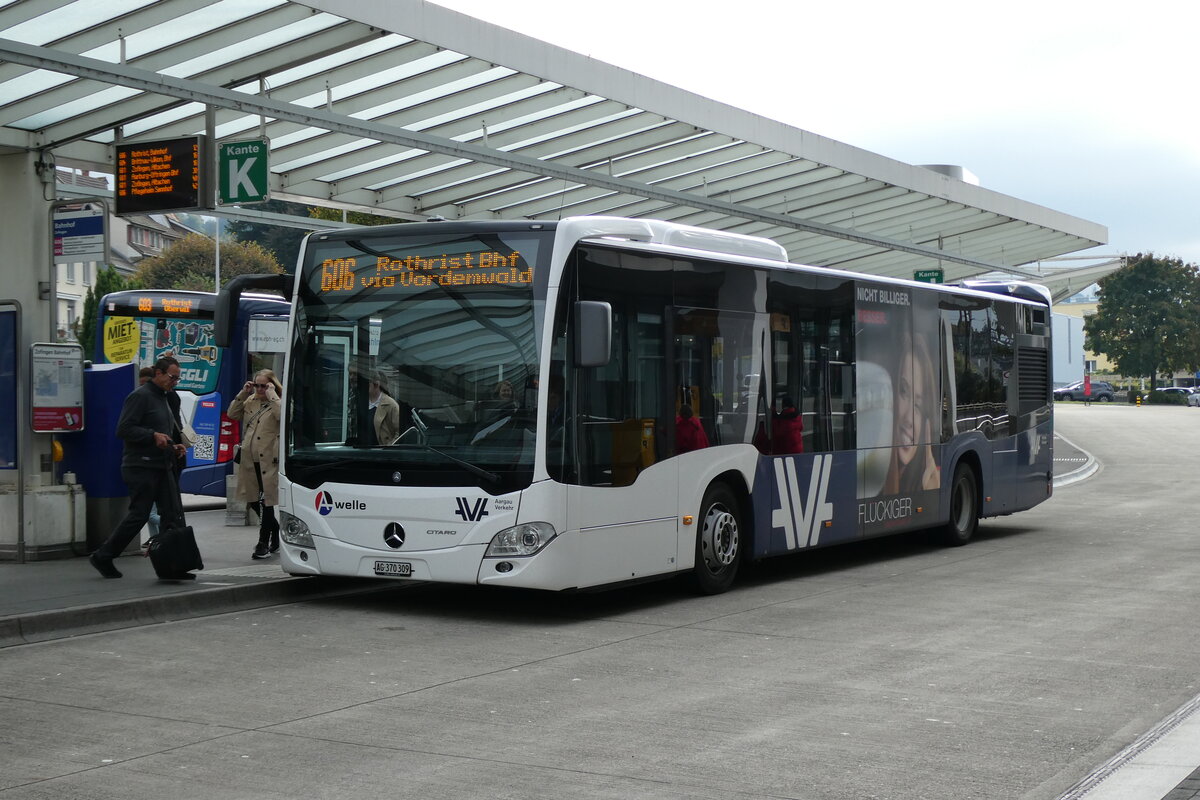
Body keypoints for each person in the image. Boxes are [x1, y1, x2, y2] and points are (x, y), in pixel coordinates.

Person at [88, 357, 189, 580]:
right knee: (140, 514)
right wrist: (152, 436)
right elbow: (124, 429)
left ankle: (172, 566)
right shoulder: (140, 396)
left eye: (177, 378)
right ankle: (104, 555)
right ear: (158, 373)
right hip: (141, 465)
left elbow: (164, 431)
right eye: (172, 377)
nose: (175, 382)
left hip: (162, 464)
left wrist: (174, 445)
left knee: (171, 514)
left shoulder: (165, 397)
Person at [228, 369, 282, 559]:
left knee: (267, 502)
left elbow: (282, 416)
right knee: (251, 500)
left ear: (271, 385)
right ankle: (276, 531)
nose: (259, 389)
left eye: (263, 386)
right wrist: (243, 393)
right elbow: (232, 414)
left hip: (269, 460)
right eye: (257, 385)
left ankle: (262, 543)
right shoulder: (250, 400)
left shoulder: (278, 401)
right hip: (249, 459)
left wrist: (272, 394)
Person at [883, 335, 940, 495]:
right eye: (903, 392)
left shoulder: (925, 482)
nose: (909, 419)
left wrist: (931, 494)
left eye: (919, 406)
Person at [368, 373, 401, 445]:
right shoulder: (360, 402)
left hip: (382, 449)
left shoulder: (391, 404)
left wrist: (389, 447)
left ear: (376, 384)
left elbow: (400, 432)